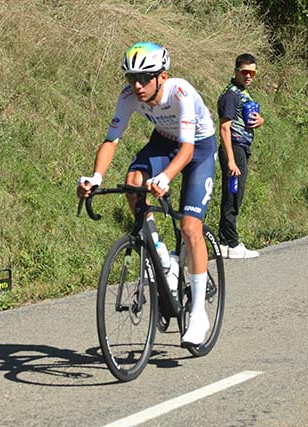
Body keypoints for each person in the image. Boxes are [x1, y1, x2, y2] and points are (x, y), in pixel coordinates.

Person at [76, 42, 217, 346]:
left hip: (198, 148)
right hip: (163, 142)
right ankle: (161, 255)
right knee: (132, 182)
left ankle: (198, 314)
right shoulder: (129, 96)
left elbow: (188, 149)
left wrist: (165, 178)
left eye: (143, 78)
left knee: (190, 227)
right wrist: (95, 177)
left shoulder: (180, 93)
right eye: (131, 79)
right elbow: (111, 140)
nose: (137, 86)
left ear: (162, 76)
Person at [217, 53, 264, 258]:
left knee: (234, 194)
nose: (248, 76)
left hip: (241, 147)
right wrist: (231, 160)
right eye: (245, 72)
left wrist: (260, 121)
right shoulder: (231, 95)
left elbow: (247, 119)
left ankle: (223, 243)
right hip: (234, 148)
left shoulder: (242, 93)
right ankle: (233, 243)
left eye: (252, 73)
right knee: (233, 196)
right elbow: (224, 128)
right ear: (236, 71)